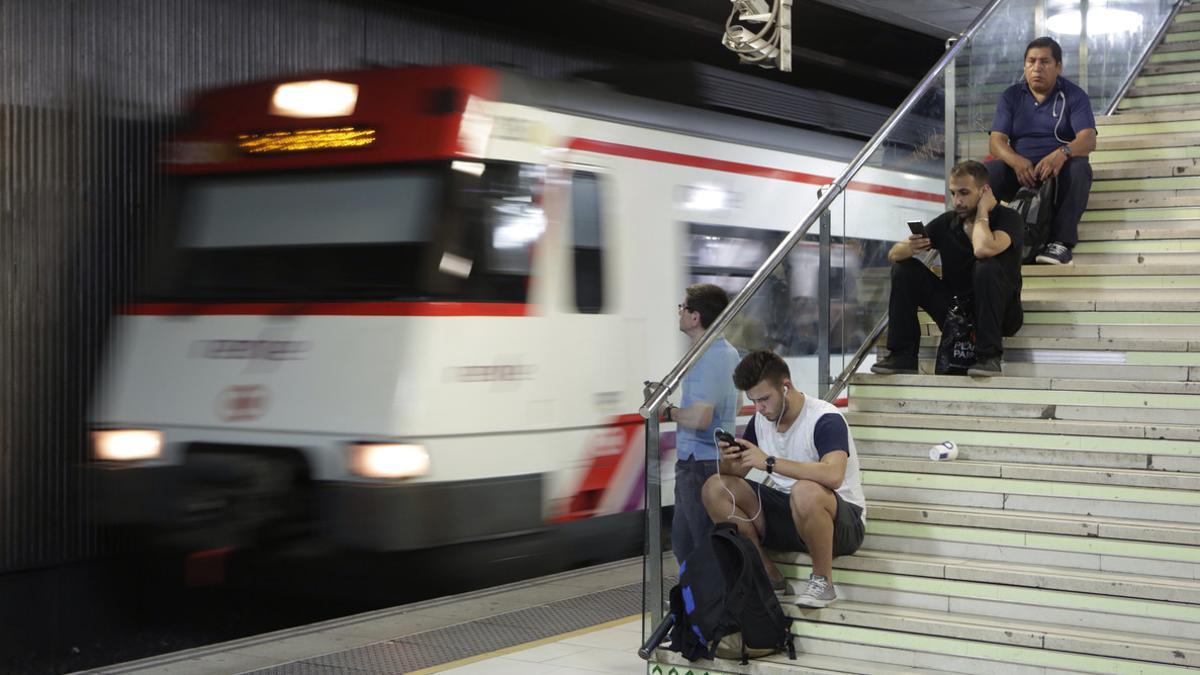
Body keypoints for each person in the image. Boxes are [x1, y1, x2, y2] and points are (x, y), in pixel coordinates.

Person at [701, 350, 866, 608]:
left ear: (786, 387)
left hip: (842, 522)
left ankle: (823, 582)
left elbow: (833, 475)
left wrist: (769, 462)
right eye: (754, 401)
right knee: (715, 487)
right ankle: (768, 575)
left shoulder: (825, 418)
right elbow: (735, 476)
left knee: (805, 491)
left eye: (764, 399)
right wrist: (729, 460)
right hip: (790, 513)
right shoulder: (761, 420)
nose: (759, 408)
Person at [873, 160, 1024, 377]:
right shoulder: (947, 222)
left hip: (1002, 314)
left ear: (984, 192)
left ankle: (988, 356)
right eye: (953, 193)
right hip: (956, 312)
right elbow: (894, 255)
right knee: (904, 269)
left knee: (986, 267)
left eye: (964, 193)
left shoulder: (1008, 218)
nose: (957, 201)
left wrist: (982, 212)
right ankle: (902, 356)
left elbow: (982, 248)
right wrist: (912, 247)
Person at [987, 36, 1097, 265]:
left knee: (1080, 167)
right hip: (1021, 171)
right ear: (1025, 65)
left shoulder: (1074, 96)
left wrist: (1062, 153)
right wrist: (1016, 161)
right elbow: (996, 142)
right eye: (1031, 61)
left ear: (1058, 66)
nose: (1037, 67)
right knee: (986, 172)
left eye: (1045, 62)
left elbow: (1088, 140)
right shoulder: (1011, 96)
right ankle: (973, 235)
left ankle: (1061, 243)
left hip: (1056, 172)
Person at [663, 283, 740, 563]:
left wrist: (667, 412)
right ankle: (693, 603)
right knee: (685, 546)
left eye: (683, 308)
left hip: (702, 464)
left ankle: (711, 604)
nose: (679, 313)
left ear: (695, 317)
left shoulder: (711, 356)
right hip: (697, 461)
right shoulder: (721, 352)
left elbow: (701, 416)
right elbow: (737, 403)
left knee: (701, 547)